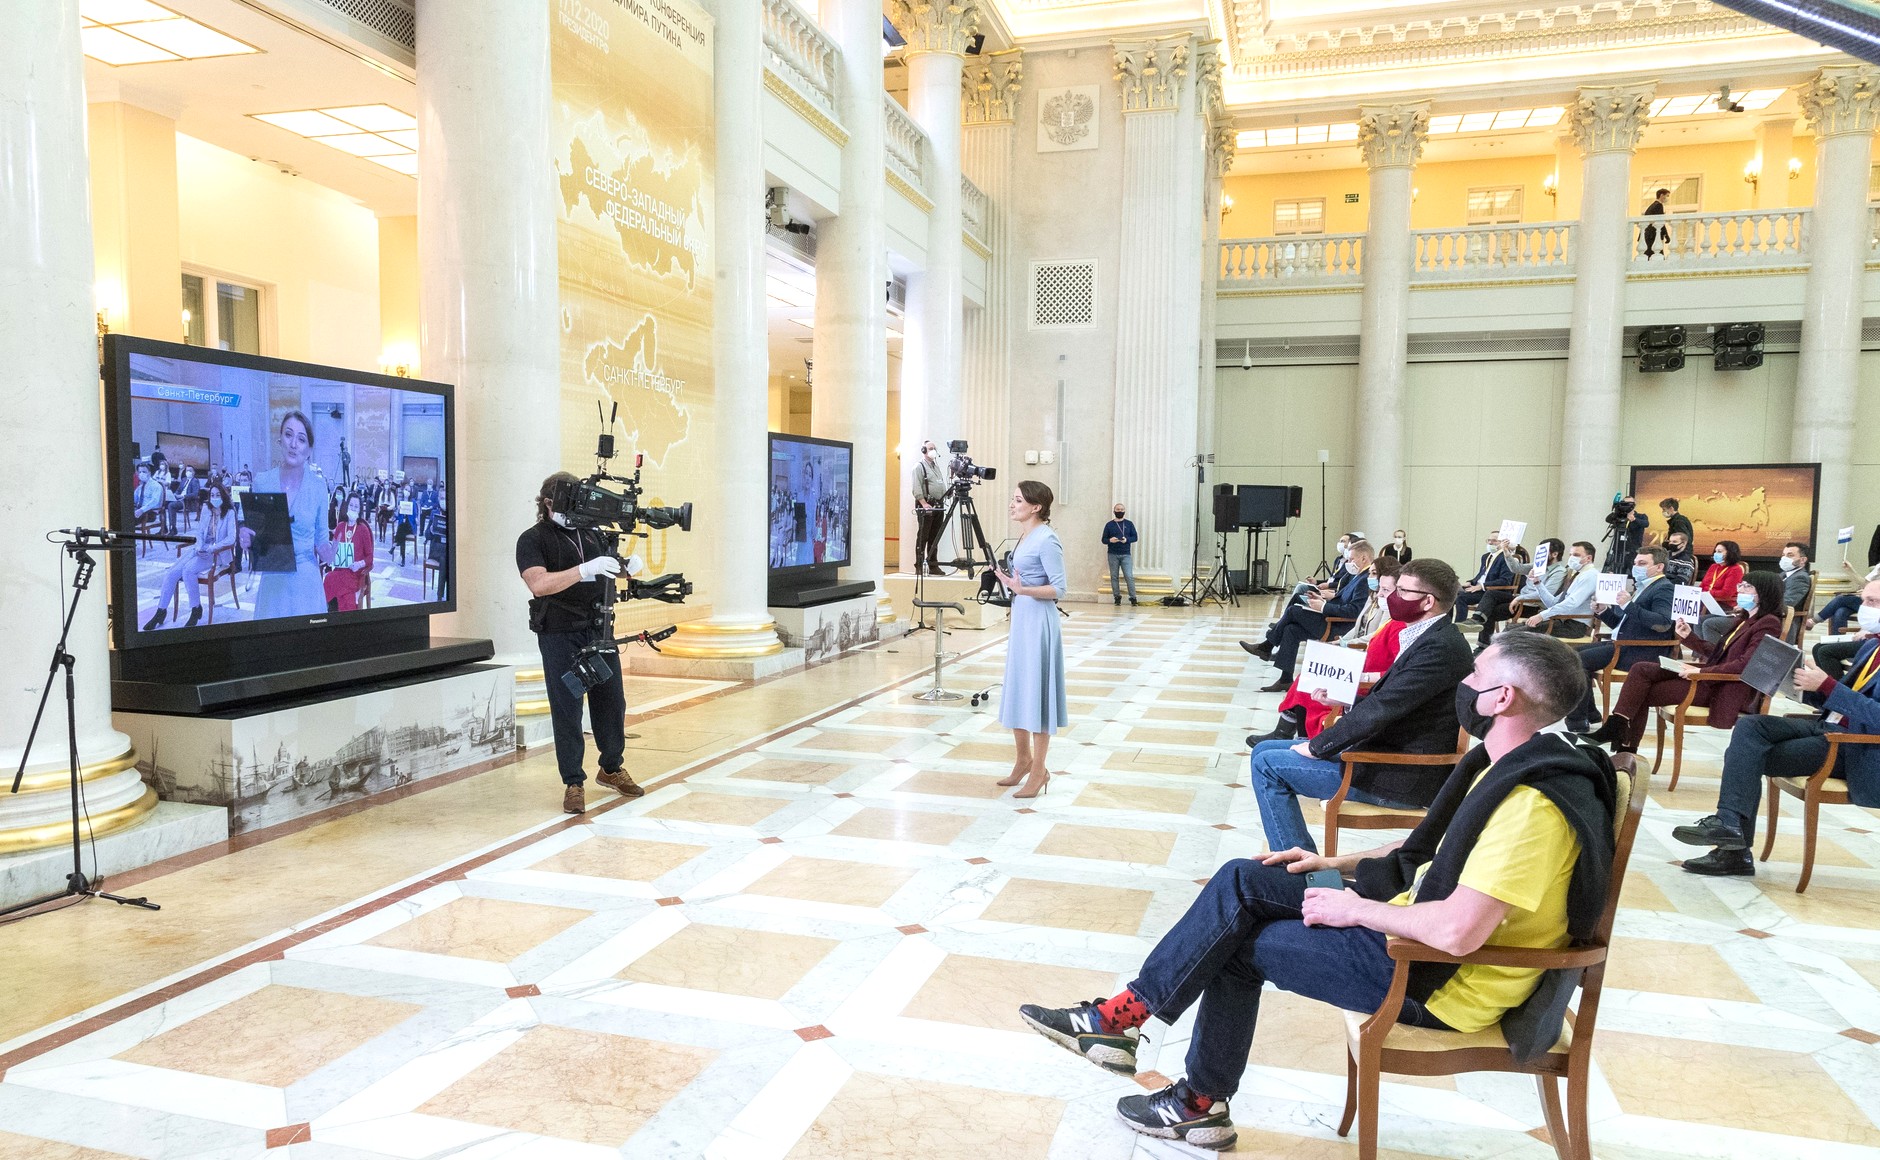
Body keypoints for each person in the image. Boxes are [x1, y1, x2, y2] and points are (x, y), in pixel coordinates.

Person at [1017, 632, 1615, 1152]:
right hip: (1412, 934)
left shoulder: (1532, 805)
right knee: (1242, 878)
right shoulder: (1516, 759)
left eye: (1475, 672)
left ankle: (1193, 1103)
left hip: (1436, 979)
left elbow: (1460, 931)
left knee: (1236, 948)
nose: (1466, 679)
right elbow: (1431, 853)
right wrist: (1330, 861)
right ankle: (1118, 1020)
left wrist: (1356, 907)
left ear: (1502, 697)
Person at [1247, 558, 1476, 854]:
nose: (1392, 597)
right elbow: (1395, 699)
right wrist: (1346, 699)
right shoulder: (1431, 637)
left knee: (1268, 765)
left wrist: (1318, 747)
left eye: (1403, 591)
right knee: (1264, 750)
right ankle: (1298, 859)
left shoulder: (1440, 648)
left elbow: (1383, 709)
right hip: (1386, 752)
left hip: (1401, 776)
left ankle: (1299, 870)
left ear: (1427, 602)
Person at [1672, 578, 1880, 876]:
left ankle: (1733, 846)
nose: (1863, 609)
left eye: (1873, 603)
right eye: (1863, 601)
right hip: (1827, 727)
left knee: (1746, 758)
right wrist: (1794, 685)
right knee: (1750, 728)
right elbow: (1835, 702)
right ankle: (1729, 825)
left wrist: (1829, 684)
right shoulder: (1871, 646)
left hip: (1855, 746)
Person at [516, 471, 645, 814]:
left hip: (598, 629)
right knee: (568, 706)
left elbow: (611, 571)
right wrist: (584, 570)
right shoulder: (532, 539)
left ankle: (611, 767)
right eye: (568, 503)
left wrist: (627, 568)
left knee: (611, 700)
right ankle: (573, 781)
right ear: (547, 504)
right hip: (559, 632)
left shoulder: (592, 533)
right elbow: (539, 584)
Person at [1585, 570, 1785, 754]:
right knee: (1641, 669)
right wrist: (1689, 637)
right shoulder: (1745, 619)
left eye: (1747, 587)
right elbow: (1719, 652)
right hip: (1712, 676)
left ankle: (1625, 748)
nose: (1740, 589)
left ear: (1764, 593)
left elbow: (1745, 664)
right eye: (1740, 585)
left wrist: (1701, 673)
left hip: (1723, 685)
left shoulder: (1768, 623)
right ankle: (1617, 728)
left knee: (1640, 693)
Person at [1249, 559, 1404, 746]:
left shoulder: (1395, 619)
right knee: (1295, 638)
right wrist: (1342, 641)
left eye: (1382, 587)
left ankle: (1298, 737)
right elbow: (1358, 626)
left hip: (1360, 663)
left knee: (1310, 677)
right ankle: (1287, 734)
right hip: (1355, 653)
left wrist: (1345, 645)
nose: (1374, 584)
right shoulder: (1375, 597)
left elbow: (1377, 647)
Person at [991, 481, 1068, 800]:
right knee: (1020, 689)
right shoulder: (1025, 536)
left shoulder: (1048, 539)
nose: (1012, 505)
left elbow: (1059, 589)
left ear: (1036, 507)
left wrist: (1023, 590)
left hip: (1039, 622)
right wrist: (1011, 584)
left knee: (1037, 692)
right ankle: (1023, 759)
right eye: (1012, 499)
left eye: (1018, 500)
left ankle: (1040, 770)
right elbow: (1026, 581)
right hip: (1022, 619)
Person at [1565, 546, 1678, 733]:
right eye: (1635, 563)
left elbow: (1662, 623)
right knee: (1571, 655)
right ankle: (1589, 712)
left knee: (1576, 661)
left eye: (1642, 563)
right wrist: (1603, 611)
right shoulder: (1642, 587)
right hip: (1622, 643)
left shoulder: (1664, 588)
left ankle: (1577, 718)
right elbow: (1623, 623)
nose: (1636, 567)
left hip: (1639, 650)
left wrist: (1629, 605)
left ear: (1659, 567)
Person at [1244, 540, 1376, 691]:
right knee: (1291, 630)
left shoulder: (1364, 579)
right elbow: (1342, 599)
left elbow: (1354, 610)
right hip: (1330, 617)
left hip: (1337, 625)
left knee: (1293, 611)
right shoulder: (1357, 576)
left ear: (1364, 558)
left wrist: (1324, 607)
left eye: (1352, 559)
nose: (1349, 562)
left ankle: (1267, 646)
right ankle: (1285, 679)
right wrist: (1321, 599)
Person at [244, 411, 334, 619]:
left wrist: (332, 552)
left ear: (309, 449)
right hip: (273, 580)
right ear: (280, 439)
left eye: (301, 439)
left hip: (306, 584)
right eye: (288, 435)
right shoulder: (262, 482)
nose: (294, 444)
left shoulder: (319, 487)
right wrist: (246, 539)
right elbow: (256, 535)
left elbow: (322, 542)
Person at [144, 481, 239, 630]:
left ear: (223, 496)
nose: (214, 498)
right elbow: (200, 532)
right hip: (201, 549)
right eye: (212, 495)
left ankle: (196, 609)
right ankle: (160, 612)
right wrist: (200, 546)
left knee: (188, 570)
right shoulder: (207, 509)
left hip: (217, 553)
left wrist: (213, 548)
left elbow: (231, 538)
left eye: (217, 495)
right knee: (171, 573)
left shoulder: (229, 512)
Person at [1514, 540, 1599, 639]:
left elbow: (1572, 602)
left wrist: (1542, 615)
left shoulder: (1590, 576)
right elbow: (1554, 602)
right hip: (1560, 620)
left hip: (1574, 625)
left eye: (1576, 555)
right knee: (1510, 629)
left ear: (1588, 558)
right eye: (1570, 554)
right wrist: (1537, 583)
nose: (1571, 558)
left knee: (1514, 635)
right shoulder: (1578, 575)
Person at [323, 492, 375, 612]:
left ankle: (341, 614)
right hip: (340, 570)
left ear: (360, 509)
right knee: (329, 578)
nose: (353, 508)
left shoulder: (363, 529)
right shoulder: (340, 526)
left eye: (356, 507)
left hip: (355, 573)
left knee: (338, 583)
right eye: (351, 505)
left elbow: (370, 557)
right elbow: (334, 550)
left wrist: (359, 564)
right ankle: (332, 612)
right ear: (347, 506)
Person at [1454, 529, 1514, 624]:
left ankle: (1458, 629)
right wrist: (1471, 582)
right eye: (1488, 540)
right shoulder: (1485, 556)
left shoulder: (1506, 558)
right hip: (1480, 588)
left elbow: (1505, 580)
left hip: (1493, 591)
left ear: (1502, 543)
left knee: (1461, 598)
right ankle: (1445, 626)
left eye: (1494, 541)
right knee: (1452, 595)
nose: (1490, 543)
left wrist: (1481, 586)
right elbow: (1481, 575)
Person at [911, 439, 948, 575]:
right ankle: (919, 565)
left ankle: (933, 565)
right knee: (923, 536)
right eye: (930, 448)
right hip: (926, 504)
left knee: (935, 536)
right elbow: (916, 488)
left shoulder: (935, 466)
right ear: (924, 450)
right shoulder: (919, 467)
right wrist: (923, 503)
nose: (933, 450)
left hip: (938, 504)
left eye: (934, 448)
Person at [1102, 501, 1140, 606]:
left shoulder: (1129, 524)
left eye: (1122, 510)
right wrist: (1110, 540)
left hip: (1126, 554)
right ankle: (1117, 597)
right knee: (1114, 576)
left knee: (1129, 576)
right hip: (1112, 554)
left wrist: (1126, 540)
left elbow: (1135, 537)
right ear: (1114, 511)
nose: (1120, 511)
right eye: (1118, 510)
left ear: (1124, 511)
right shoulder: (1109, 525)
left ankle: (1133, 597)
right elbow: (1103, 539)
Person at [1641, 186, 1670, 257]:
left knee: (1649, 255)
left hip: (1648, 234)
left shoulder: (1652, 205)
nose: (1667, 198)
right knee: (1657, 255)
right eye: (1667, 196)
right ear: (1661, 195)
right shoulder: (1659, 205)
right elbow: (1660, 221)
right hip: (1652, 235)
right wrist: (1666, 235)